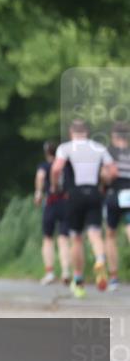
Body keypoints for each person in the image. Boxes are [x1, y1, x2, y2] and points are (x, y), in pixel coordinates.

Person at [51, 119, 116, 297]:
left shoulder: (66, 148)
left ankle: (78, 279)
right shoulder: (98, 147)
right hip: (94, 193)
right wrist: (104, 184)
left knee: (76, 238)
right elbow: (113, 172)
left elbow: (56, 169)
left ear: (72, 132)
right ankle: (100, 259)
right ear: (87, 132)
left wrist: (55, 186)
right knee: (95, 233)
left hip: (74, 195)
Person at [35, 142, 71, 285]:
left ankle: (49, 272)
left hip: (51, 203)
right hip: (66, 203)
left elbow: (40, 177)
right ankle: (66, 271)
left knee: (48, 238)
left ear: (47, 152)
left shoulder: (45, 166)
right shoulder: (66, 166)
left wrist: (38, 193)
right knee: (64, 238)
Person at [103, 122, 130, 291]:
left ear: (114, 136)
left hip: (114, 193)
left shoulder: (109, 152)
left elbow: (108, 175)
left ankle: (113, 277)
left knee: (110, 234)